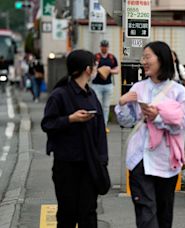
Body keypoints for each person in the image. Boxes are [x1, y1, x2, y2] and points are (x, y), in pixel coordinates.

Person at [115, 41, 185, 228]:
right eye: (143, 58)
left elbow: (182, 125)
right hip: (140, 159)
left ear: (162, 59)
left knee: (164, 214)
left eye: (148, 57)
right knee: (145, 213)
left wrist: (158, 117)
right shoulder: (138, 88)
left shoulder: (178, 91)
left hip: (166, 160)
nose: (144, 61)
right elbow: (127, 122)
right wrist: (122, 104)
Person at [41, 49, 108, 227]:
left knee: (88, 213)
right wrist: (70, 119)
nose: (96, 69)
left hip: (89, 164)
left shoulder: (91, 94)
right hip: (66, 165)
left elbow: (100, 130)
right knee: (67, 213)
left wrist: (102, 161)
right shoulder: (59, 95)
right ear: (87, 69)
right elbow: (47, 124)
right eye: (94, 65)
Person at [91, 40, 119, 133]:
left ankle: (104, 125)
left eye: (106, 46)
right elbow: (92, 69)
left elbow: (117, 69)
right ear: (100, 47)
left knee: (106, 106)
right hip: (97, 84)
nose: (104, 48)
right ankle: (96, 125)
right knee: (97, 104)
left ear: (108, 47)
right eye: (103, 46)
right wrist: (99, 70)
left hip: (108, 84)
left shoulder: (111, 58)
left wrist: (109, 70)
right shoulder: (96, 57)